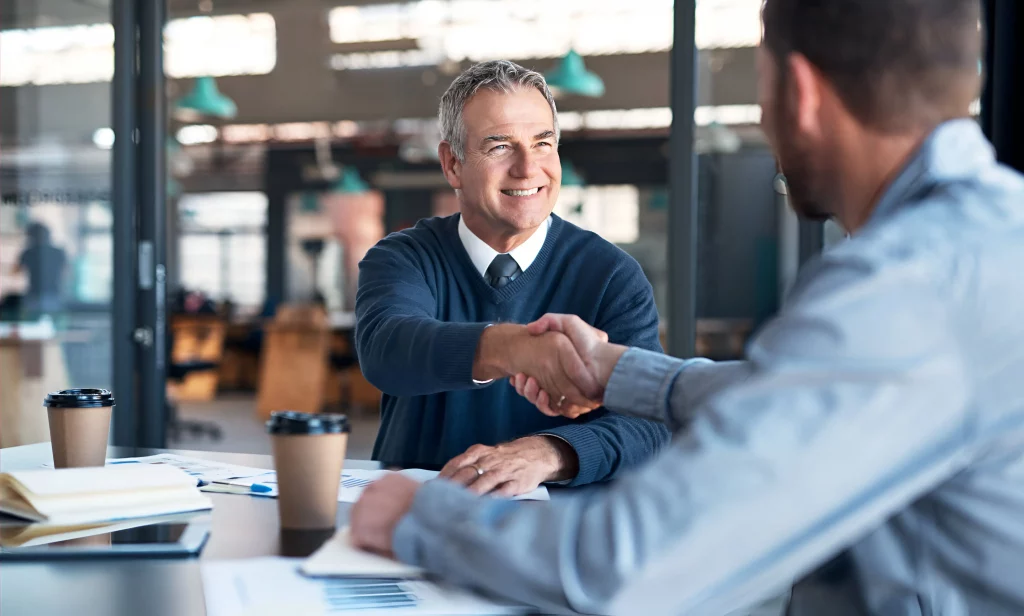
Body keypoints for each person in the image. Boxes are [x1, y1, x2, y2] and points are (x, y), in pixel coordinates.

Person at [351, 1, 1024, 614]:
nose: (763, 119)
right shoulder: (992, 237)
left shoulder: (899, 288)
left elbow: (633, 566)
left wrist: (422, 520)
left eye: (759, 92)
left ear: (801, 93)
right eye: (500, 145)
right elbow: (785, 394)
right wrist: (620, 371)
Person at [354, 60, 669, 496]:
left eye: (543, 143)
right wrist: (517, 349)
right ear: (452, 164)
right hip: (412, 519)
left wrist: (549, 453)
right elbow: (386, 350)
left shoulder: (611, 275)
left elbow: (648, 425)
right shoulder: (404, 257)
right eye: (500, 146)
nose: (527, 168)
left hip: (557, 533)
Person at [14, 222, 66, 316]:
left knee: (33, 324)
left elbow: (15, 272)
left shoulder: (28, 252)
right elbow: (66, 272)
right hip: (52, 294)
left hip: (36, 295)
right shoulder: (58, 252)